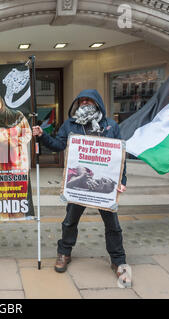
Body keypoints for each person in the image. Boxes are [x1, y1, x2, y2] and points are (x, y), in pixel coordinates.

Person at [32, 89, 131, 288]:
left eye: (89, 100)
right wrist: (43, 136)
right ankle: (64, 253)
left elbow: (120, 155)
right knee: (70, 221)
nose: (85, 103)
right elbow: (58, 145)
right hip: (80, 185)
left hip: (104, 185)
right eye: (81, 100)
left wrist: (123, 180)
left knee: (113, 224)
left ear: (98, 103)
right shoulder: (71, 125)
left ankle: (118, 261)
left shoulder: (111, 125)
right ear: (77, 104)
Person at [0, 93, 32, 220]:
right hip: (1, 161)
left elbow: (28, 134)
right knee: (1, 190)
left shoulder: (18, 115)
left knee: (18, 190)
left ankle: (18, 217)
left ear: (1, 100)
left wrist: (14, 142)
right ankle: (1, 217)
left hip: (18, 160)